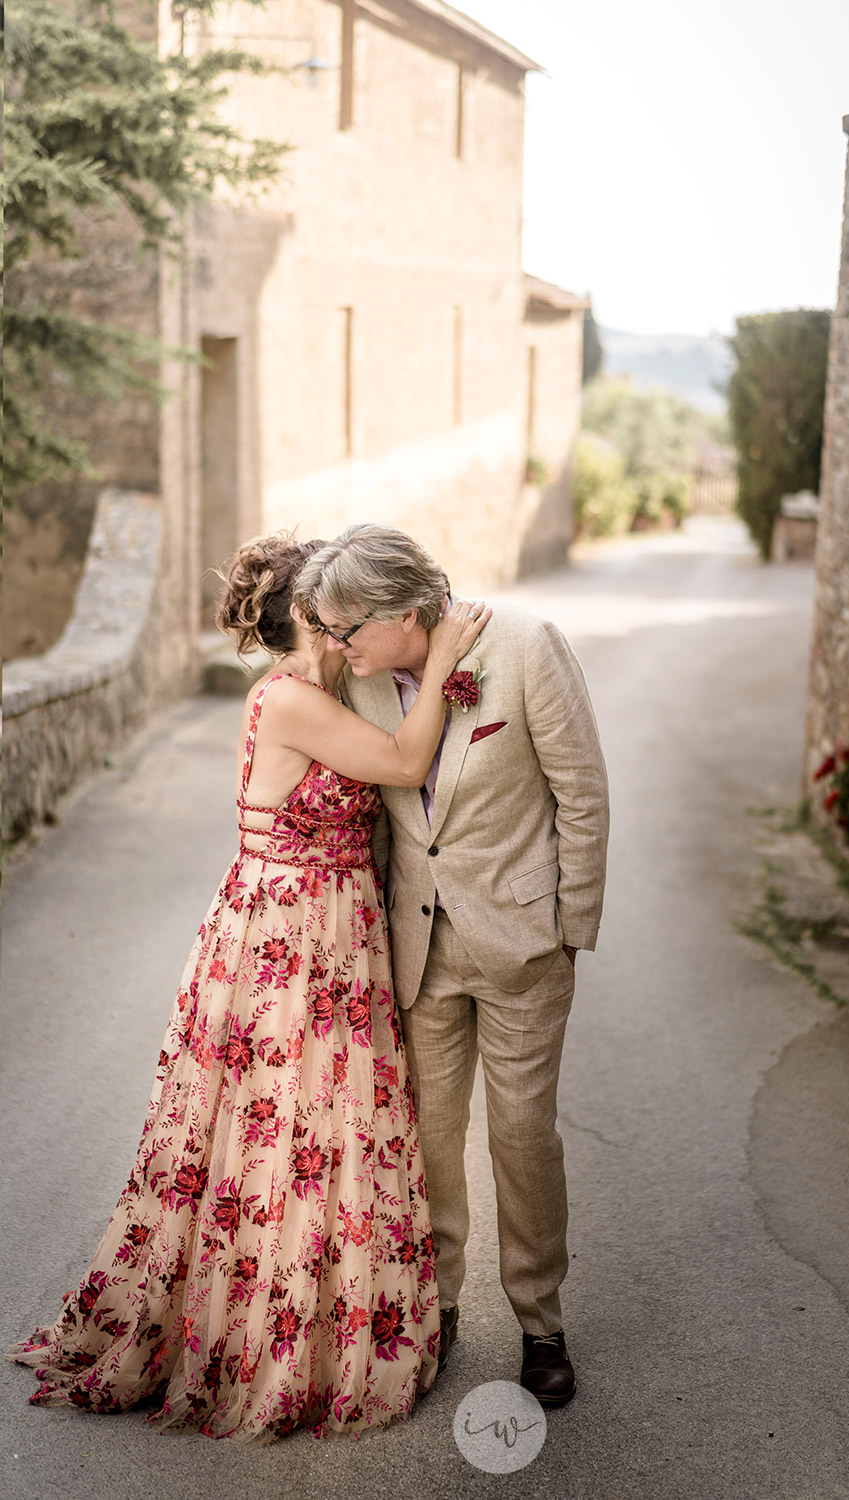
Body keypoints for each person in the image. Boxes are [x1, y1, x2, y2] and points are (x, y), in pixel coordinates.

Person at [8, 533, 490, 1443]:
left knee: (322, 1125)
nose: (348, 620)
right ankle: (269, 1338)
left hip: (327, 925)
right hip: (294, 934)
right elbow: (398, 764)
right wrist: (448, 666)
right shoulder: (291, 700)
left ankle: (313, 1322)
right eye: (338, 607)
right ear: (311, 613)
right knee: (287, 1127)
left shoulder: (327, 691)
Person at [296, 524, 609, 1407]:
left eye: (345, 628)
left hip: (522, 946)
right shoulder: (355, 678)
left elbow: (582, 793)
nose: (334, 644)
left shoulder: (526, 646)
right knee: (428, 1139)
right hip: (418, 949)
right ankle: (434, 1310)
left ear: (403, 612)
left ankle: (540, 1322)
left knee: (520, 1137)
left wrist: (566, 929)